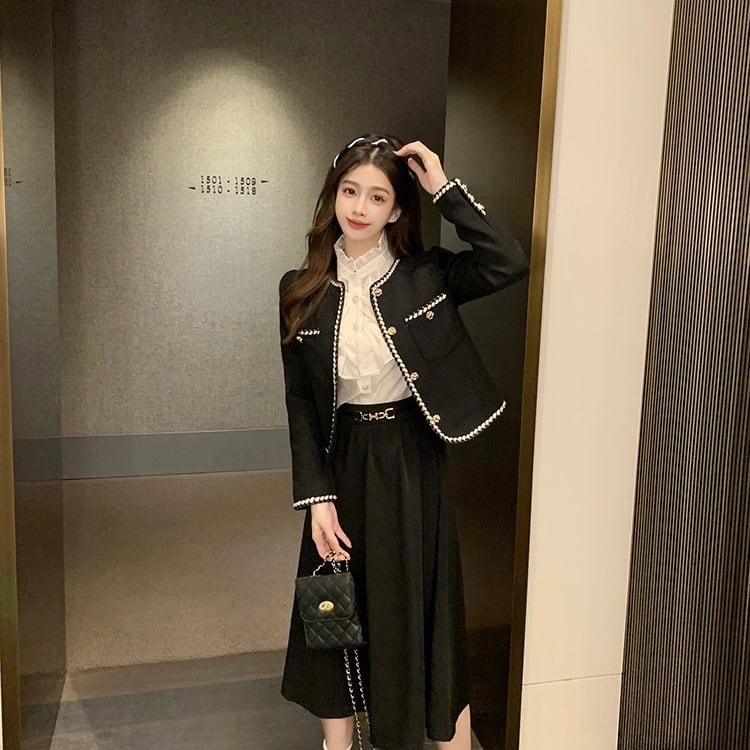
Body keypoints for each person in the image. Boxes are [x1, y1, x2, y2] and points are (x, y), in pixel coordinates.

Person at [278, 134, 529, 750]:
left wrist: (442, 188)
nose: (359, 207)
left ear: (396, 210)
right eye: (350, 191)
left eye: (377, 196)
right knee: (332, 597)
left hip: (412, 457)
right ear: (333, 196)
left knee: (419, 603)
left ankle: (436, 733)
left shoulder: (426, 275)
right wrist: (316, 497)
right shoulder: (300, 288)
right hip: (342, 459)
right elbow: (301, 401)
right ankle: (339, 745)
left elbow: (506, 260)